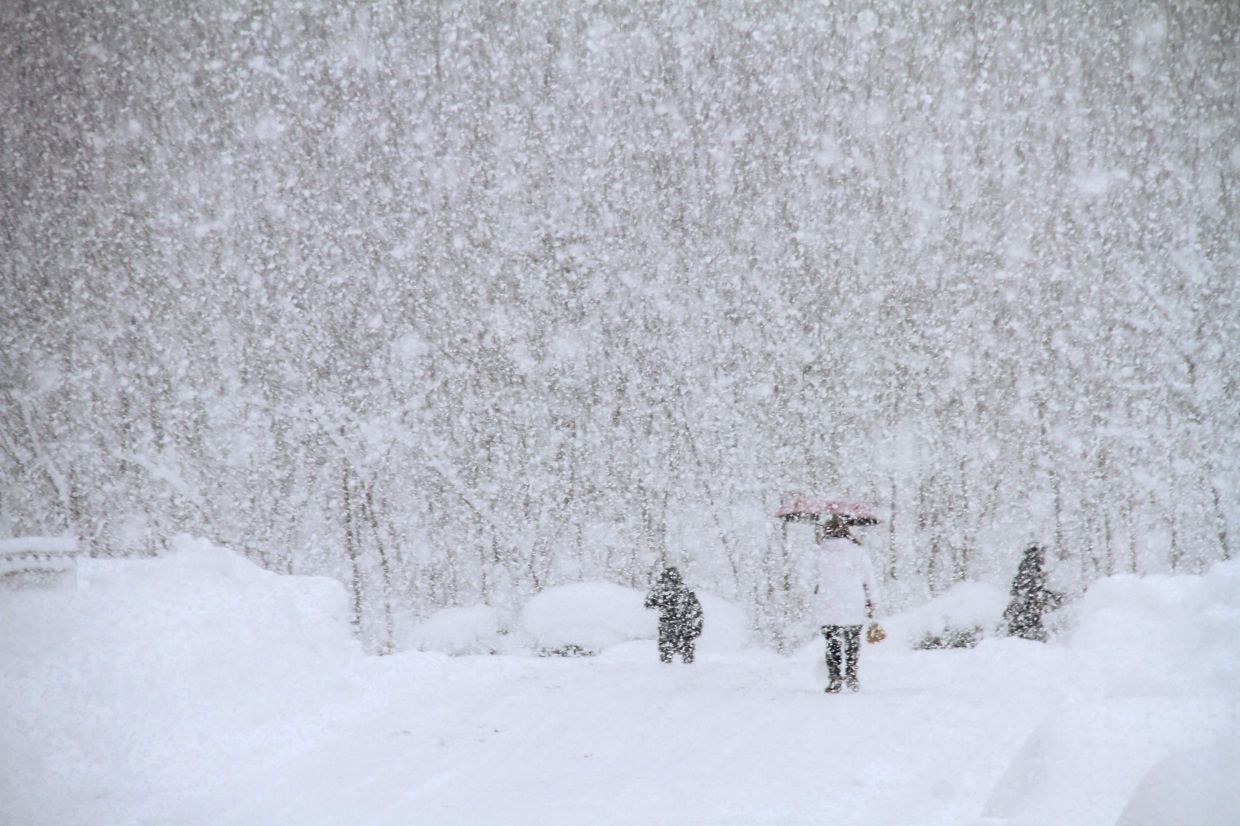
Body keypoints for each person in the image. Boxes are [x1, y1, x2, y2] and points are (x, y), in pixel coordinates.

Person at [810, 516, 879, 693]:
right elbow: (869, 578)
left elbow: (812, 577)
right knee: (852, 641)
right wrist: (872, 600)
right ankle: (851, 675)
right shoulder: (857, 551)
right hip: (853, 601)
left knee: (832, 642)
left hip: (829, 601)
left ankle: (834, 678)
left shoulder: (819, 552)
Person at [1003, 544, 1063, 641]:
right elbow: (1033, 592)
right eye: (1043, 554)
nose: (1044, 558)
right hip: (1026, 616)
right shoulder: (1030, 570)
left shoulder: (1028, 568)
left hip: (1023, 615)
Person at [644, 566, 704, 664]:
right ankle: (684, 671)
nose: (668, 584)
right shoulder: (684, 592)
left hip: (677, 626)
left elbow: (649, 602)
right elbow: (697, 611)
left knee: (669, 652)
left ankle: (674, 670)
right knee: (679, 652)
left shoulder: (680, 592)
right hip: (680, 626)